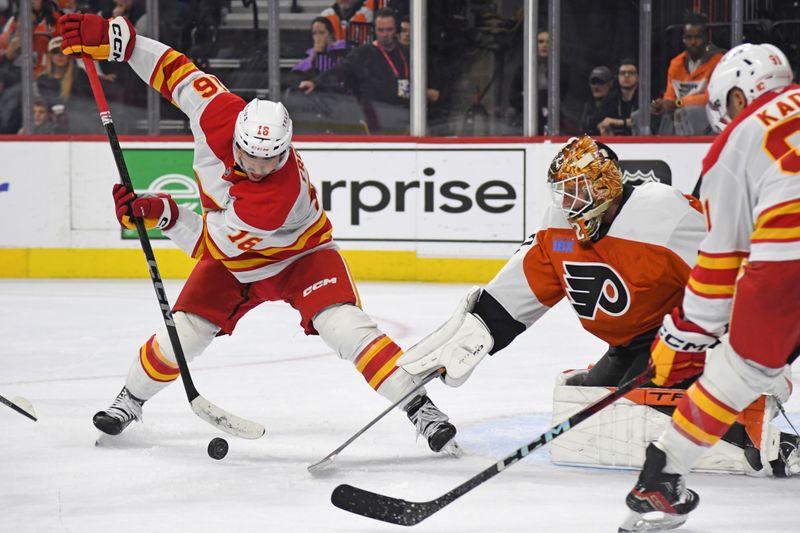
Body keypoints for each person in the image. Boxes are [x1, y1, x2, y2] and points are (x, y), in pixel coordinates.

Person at [58, 12, 460, 456]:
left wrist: (160, 211)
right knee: (184, 334)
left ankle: (421, 408)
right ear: (239, 136)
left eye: (271, 159)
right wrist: (123, 42)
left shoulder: (274, 199)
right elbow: (175, 71)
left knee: (346, 329)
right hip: (233, 261)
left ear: (285, 148)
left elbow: (204, 245)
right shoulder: (219, 113)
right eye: (251, 155)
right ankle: (129, 400)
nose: (259, 166)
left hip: (301, 257)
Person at [619, 43, 800, 532]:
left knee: (738, 370)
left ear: (740, 98)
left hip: (788, 263)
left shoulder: (737, 142)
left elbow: (721, 264)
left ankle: (660, 477)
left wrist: (680, 338)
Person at [398, 135, 707, 392]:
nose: (566, 205)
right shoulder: (557, 227)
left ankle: (739, 431)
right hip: (626, 347)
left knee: (638, 410)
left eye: (575, 192)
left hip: (681, 339)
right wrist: (476, 331)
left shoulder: (665, 214)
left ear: (603, 185)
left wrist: (710, 344)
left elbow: (726, 277)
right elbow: (520, 289)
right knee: (587, 402)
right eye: (562, 194)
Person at [300, 8, 437, 133]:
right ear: (375, 30)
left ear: (396, 30)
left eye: (389, 30)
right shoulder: (364, 52)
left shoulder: (407, 52)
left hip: (406, 116)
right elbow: (341, 69)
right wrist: (315, 82)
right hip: (377, 117)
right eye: (380, 30)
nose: (385, 34)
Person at [651, 13, 723, 135]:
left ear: (706, 38)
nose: (693, 42)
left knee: (683, 112)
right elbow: (670, 96)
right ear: (683, 39)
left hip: (709, 114)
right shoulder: (676, 63)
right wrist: (662, 105)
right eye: (688, 38)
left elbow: (710, 99)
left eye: (697, 37)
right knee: (641, 115)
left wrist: (677, 103)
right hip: (679, 109)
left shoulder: (718, 61)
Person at [597, 59, 639, 136]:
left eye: (631, 73)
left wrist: (616, 122)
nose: (626, 75)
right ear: (618, 77)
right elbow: (598, 121)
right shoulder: (611, 98)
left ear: (638, 77)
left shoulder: (644, 98)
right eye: (623, 73)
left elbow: (644, 122)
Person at [578, 65, 612, 135]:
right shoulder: (587, 105)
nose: (596, 86)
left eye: (601, 82)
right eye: (593, 82)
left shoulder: (616, 104)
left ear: (610, 84)